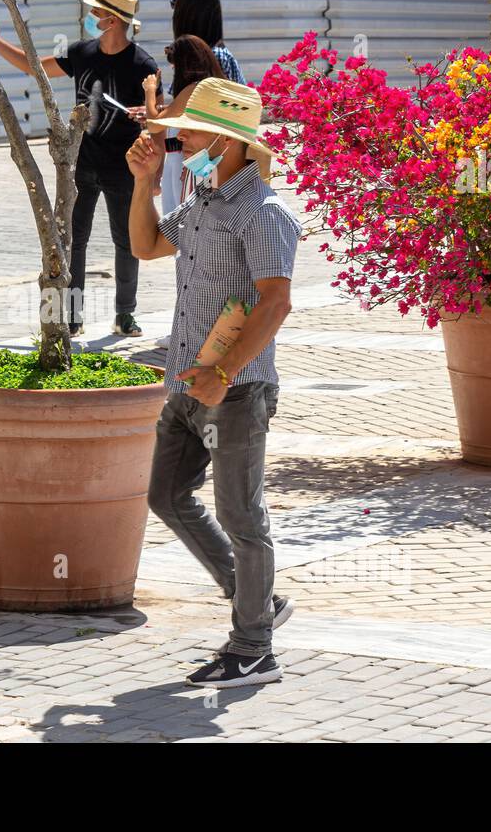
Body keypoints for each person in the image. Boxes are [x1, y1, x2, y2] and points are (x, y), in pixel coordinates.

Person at [127, 77, 302, 689]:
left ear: (226, 141)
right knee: (166, 496)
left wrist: (223, 372)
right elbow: (146, 244)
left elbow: (274, 305)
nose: (181, 141)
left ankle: (253, 649)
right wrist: (143, 183)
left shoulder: (265, 212)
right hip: (186, 381)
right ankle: (253, 598)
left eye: (191, 133)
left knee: (242, 516)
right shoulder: (203, 198)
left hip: (237, 390)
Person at [0, 0, 160, 338]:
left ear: (113, 20)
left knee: (126, 240)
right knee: (75, 240)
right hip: (80, 165)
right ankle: (73, 317)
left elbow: (158, 119)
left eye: (96, 14)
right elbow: (37, 69)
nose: (90, 18)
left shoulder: (143, 65)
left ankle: (125, 314)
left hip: (124, 167)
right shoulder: (81, 52)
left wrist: (148, 120)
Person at [143, 34, 224, 216]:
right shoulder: (208, 86)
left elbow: (155, 125)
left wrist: (150, 91)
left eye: (175, 65)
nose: (173, 69)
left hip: (186, 162)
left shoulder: (194, 88)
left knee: (178, 222)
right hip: (187, 161)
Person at [171, 0, 244, 85]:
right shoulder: (190, 56)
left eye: (175, 4)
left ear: (188, 14)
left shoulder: (216, 57)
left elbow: (222, 101)